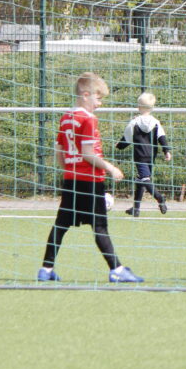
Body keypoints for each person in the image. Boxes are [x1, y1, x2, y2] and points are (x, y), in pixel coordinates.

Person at [37, 72, 143, 283]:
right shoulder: (88, 119)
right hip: (91, 181)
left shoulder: (66, 117)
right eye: (98, 98)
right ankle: (116, 269)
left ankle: (46, 269)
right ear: (86, 95)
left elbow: (59, 150)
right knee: (100, 226)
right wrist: (111, 168)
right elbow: (88, 153)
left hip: (71, 180)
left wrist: (69, 170)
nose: (100, 103)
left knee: (61, 225)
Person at [116, 92, 172, 217]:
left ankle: (160, 198)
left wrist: (119, 145)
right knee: (141, 179)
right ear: (152, 107)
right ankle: (136, 209)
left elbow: (127, 138)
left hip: (140, 156)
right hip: (151, 155)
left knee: (145, 179)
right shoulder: (155, 122)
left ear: (139, 107)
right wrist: (166, 151)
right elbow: (161, 137)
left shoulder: (134, 122)